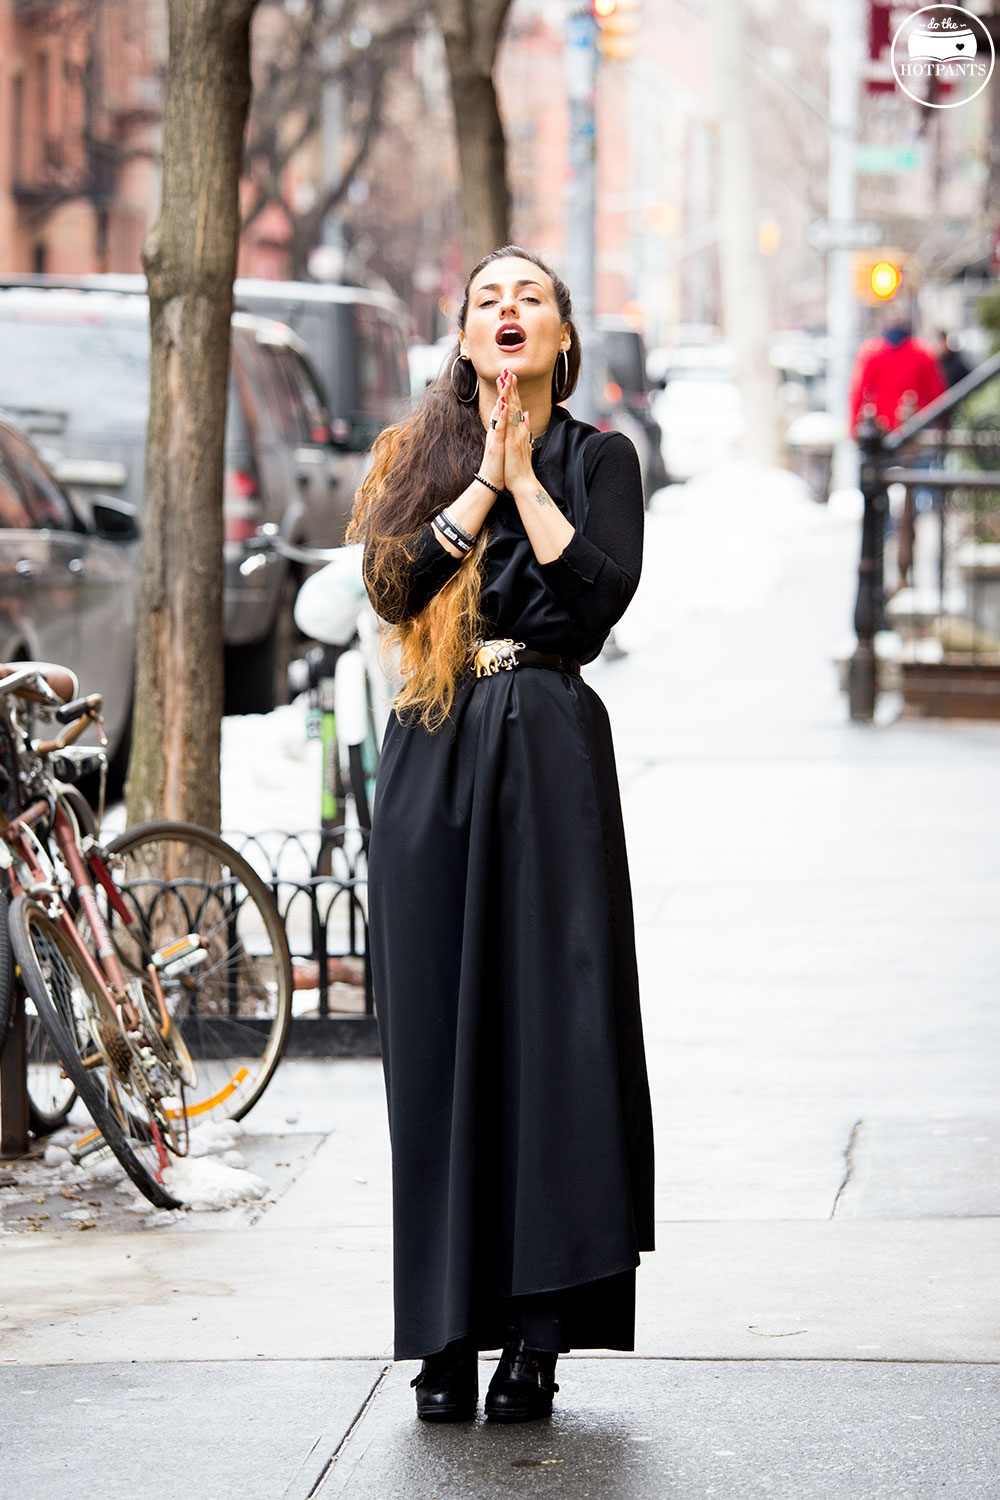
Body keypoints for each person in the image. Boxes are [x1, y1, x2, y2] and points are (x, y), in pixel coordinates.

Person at [349, 246, 655, 1425]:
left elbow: (596, 598)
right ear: (465, 339)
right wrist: (480, 478)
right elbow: (391, 588)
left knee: (548, 1037)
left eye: (530, 296)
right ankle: (442, 1334)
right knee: (433, 1039)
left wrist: (530, 477)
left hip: (546, 749)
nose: (508, 310)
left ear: (560, 337)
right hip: (433, 752)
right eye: (489, 300)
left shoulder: (599, 460)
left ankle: (537, 1335)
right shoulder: (416, 459)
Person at [848, 315, 945, 436]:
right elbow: (936, 394)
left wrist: (853, 428)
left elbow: (857, 393)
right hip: (915, 427)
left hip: (883, 429)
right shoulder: (922, 351)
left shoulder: (870, 352)